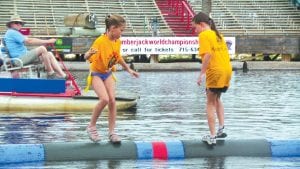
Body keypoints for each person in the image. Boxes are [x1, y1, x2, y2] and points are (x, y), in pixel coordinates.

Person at [84, 14, 139, 143]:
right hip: (96, 73)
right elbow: (87, 56)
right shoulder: (100, 41)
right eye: (121, 30)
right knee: (104, 99)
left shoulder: (117, 41)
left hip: (108, 73)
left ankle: (112, 132)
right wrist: (88, 54)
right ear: (113, 28)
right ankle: (91, 126)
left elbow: (118, 57)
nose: (122, 33)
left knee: (112, 101)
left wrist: (129, 69)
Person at [192, 12, 232, 145]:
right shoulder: (218, 34)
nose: (195, 30)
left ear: (202, 25)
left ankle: (212, 136)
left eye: (195, 27)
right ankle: (221, 128)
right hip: (226, 70)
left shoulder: (204, 34)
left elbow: (207, 55)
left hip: (215, 72)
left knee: (209, 102)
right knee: (217, 98)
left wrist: (201, 73)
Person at [4, 14, 67, 79]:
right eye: (16, 23)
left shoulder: (14, 32)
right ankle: (50, 73)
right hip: (19, 59)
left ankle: (63, 75)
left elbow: (29, 42)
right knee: (42, 49)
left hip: (23, 57)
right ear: (11, 24)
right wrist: (48, 41)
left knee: (49, 54)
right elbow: (29, 41)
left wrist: (44, 43)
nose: (19, 24)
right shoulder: (12, 32)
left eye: (20, 23)